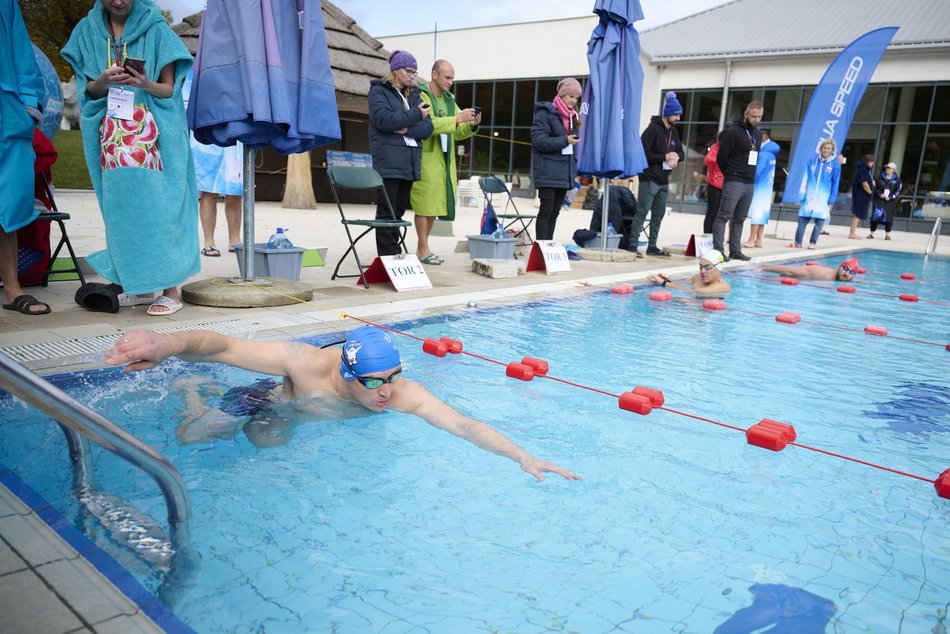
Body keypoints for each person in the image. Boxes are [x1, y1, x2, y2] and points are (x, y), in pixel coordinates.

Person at [104, 325, 580, 481]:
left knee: (270, 447)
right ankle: (193, 390)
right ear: (347, 374)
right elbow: (222, 346)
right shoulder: (305, 363)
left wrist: (522, 456)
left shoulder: (402, 393)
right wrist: (167, 344)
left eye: (394, 378)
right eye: (375, 383)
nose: (387, 392)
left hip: (301, 418)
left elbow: (465, 426)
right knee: (193, 436)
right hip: (267, 401)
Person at [62, 0, 199, 316]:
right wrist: (104, 81)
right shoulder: (87, 32)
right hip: (112, 137)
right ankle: (138, 286)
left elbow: (169, 90)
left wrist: (144, 83)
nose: (119, 1)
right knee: (122, 211)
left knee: (160, 207)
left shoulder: (157, 30)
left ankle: (171, 290)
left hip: (152, 136)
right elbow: (88, 92)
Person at [0, 0, 50, 316]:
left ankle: (12, 288)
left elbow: (21, 52)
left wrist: (29, 105)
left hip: (5, 112)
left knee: (8, 201)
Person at [409, 59, 480, 265]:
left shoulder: (449, 100)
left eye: (452, 78)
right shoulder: (421, 95)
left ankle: (424, 248)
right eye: (447, 77)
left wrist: (471, 124)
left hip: (445, 161)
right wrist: (457, 119)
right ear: (434, 75)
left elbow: (457, 132)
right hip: (426, 158)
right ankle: (422, 248)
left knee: (434, 206)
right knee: (424, 204)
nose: (451, 82)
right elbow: (426, 124)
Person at [368, 50, 433, 257]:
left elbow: (428, 127)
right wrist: (416, 114)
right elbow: (384, 120)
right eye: (409, 71)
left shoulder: (415, 94)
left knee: (398, 211)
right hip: (388, 160)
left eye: (415, 72)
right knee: (387, 211)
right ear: (396, 69)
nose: (412, 76)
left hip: (409, 162)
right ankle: (387, 256)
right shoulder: (379, 91)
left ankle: (394, 253)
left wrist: (406, 129)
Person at [182, 69, 242, 257]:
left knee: (236, 191)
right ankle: (209, 242)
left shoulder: (239, 69)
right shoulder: (196, 70)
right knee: (209, 190)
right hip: (207, 131)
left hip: (235, 128)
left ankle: (235, 240)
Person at [631, 91, 685, 257]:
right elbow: (642, 154)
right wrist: (664, 156)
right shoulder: (652, 130)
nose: (678, 118)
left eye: (679, 115)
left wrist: (676, 157)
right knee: (642, 211)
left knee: (659, 213)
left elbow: (681, 153)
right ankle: (632, 244)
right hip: (649, 177)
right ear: (667, 114)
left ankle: (652, 246)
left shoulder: (674, 132)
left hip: (663, 179)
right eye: (676, 115)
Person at [713, 100, 764, 262]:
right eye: (754, 116)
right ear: (746, 114)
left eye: (760, 117)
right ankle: (718, 251)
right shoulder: (733, 132)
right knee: (723, 216)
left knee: (740, 218)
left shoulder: (758, 134)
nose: (756, 119)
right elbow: (721, 157)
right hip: (734, 180)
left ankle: (735, 250)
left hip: (749, 182)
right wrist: (731, 174)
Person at [531, 77, 581, 241]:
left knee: (554, 212)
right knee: (546, 211)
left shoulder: (573, 117)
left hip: (564, 174)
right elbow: (539, 141)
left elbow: (572, 149)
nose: (573, 100)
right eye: (571, 96)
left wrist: (573, 172)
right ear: (561, 95)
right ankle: (541, 248)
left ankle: (548, 246)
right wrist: (565, 140)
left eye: (576, 98)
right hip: (547, 172)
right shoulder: (545, 114)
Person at [789, 137, 840, 249]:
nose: (826, 150)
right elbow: (805, 177)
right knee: (802, 219)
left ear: (832, 151)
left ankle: (813, 242)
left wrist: (832, 199)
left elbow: (835, 183)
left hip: (823, 198)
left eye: (829, 149)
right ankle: (798, 242)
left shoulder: (835, 165)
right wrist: (802, 193)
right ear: (821, 148)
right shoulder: (812, 161)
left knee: (820, 222)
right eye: (824, 148)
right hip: (809, 196)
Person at [743, 130, 780, 248]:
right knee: (762, 214)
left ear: (763, 138)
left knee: (756, 214)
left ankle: (751, 240)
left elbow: (758, 172)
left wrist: (749, 179)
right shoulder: (771, 153)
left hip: (759, 187)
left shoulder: (763, 154)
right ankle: (759, 240)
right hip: (767, 188)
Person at [646, 249, 731, 296]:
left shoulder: (721, 287)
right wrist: (666, 280)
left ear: (718, 267)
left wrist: (664, 283)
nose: (702, 271)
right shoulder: (698, 277)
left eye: (707, 267)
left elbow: (693, 291)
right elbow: (683, 283)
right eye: (700, 266)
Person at [589, 180, 638, 251]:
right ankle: (615, 245)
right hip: (614, 208)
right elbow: (629, 203)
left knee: (595, 225)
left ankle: (591, 241)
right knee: (613, 230)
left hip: (601, 204)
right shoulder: (625, 190)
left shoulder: (614, 188)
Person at [869, 162, 901, 240]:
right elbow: (874, 188)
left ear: (893, 170)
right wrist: (880, 194)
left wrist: (890, 197)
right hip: (879, 200)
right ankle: (871, 234)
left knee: (889, 218)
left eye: (889, 168)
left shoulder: (897, 180)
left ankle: (887, 235)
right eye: (887, 167)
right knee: (876, 216)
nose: (887, 169)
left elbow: (898, 191)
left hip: (890, 202)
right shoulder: (879, 178)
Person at [760, 257, 858, 282]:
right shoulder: (821, 272)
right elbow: (790, 270)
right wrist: (765, 268)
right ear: (840, 266)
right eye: (845, 268)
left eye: (851, 272)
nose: (847, 273)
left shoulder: (847, 281)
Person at [848, 154, 874, 240]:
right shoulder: (863, 170)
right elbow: (864, 183)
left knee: (857, 214)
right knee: (858, 214)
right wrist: (870, 192)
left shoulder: (862, 169)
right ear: (869, 162)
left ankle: (852, 233)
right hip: (861, 196)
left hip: (860, 195)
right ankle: (852, 234)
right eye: (872, 162)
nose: (872, 164)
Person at [703, 131, 724, 234]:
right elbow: (707, 160)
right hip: (714, 184)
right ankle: (707, 235)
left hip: (725, 185)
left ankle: (715, 235)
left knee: (720, 214)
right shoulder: (715, 147)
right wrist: (719, 159)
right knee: (711, 212)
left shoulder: (730, 149)